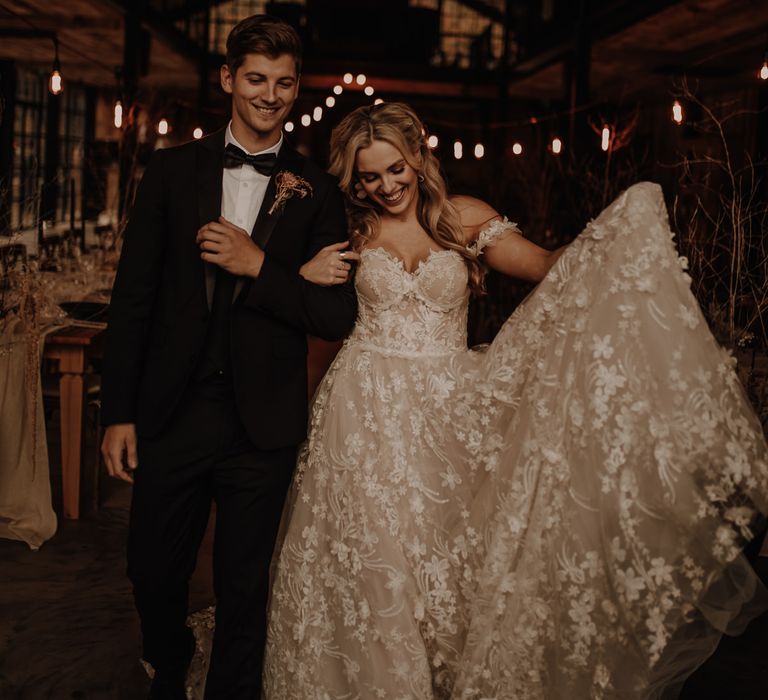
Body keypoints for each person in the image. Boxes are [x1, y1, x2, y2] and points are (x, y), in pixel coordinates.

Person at [261, 102, 768, 699]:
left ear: (420, 158)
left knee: (446, 557)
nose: (386, 186)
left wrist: (615, 240)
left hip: (449, 410)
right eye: (369, 176)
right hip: (362, 410)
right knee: (372, 560)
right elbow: (315, 319)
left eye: (396, 169)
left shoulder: (463, 217)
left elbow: (547, 266)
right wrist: (298, 281)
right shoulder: (347, 230)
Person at [100, 15, 357, 699]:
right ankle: (171, 656)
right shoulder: (171, 172)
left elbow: (337, 314)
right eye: (255, 79)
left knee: (245, 585)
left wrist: (260, 265)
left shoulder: (316, 190)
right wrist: (118, 412)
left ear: (297, 88)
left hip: (262, 422)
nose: (269, 95)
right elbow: (134, 301)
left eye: (283, 83)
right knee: (153, 569)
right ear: (227, 78)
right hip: (173, 408)